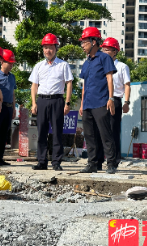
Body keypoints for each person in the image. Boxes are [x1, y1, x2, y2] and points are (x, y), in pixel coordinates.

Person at [29, 33, 73, 171]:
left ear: (56, 48)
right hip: (42, 100)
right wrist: (34, 103)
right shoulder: (38, 66)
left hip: (57, 101)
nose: (48, 50)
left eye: (51, 47)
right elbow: (34, 86)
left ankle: (56, 162)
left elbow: (69, 84)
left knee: (57, 132)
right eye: (45, 47)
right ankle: (42, 162)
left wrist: (67, 103)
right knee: (42, 132)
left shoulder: (63, 65)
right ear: (43, 49)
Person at [78, 27, 117, 174]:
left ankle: (111, 163)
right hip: (87, 103)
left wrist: (111, 98)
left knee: (105, 134)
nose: (82, 45)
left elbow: (109, 78)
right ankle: (92, 163)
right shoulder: (86, 62)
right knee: (89, 135)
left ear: (94, 42)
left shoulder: (104, 58)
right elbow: (84, 85)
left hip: (101, 102)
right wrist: (82, 103)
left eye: (84, 42)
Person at [101, 37, 131, 166]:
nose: (105, 52)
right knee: (101, 131)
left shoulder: (122, 67)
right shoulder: (100, 66)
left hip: (116, 100)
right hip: (101, 101)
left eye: (108, 50)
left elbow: (127, 85)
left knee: (113, 131)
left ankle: (114, 159)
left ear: (115, 51)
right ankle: (101, 158)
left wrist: (126, 102)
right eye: (103, 49)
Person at [0, 49, 17, 166]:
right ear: (2, 62)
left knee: (4, 134)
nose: (11, 65)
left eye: (12, 63)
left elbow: (12, 93)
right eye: (9, 63)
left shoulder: (12, 77)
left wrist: (14, 108)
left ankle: (0, 157)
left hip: (8, 108)